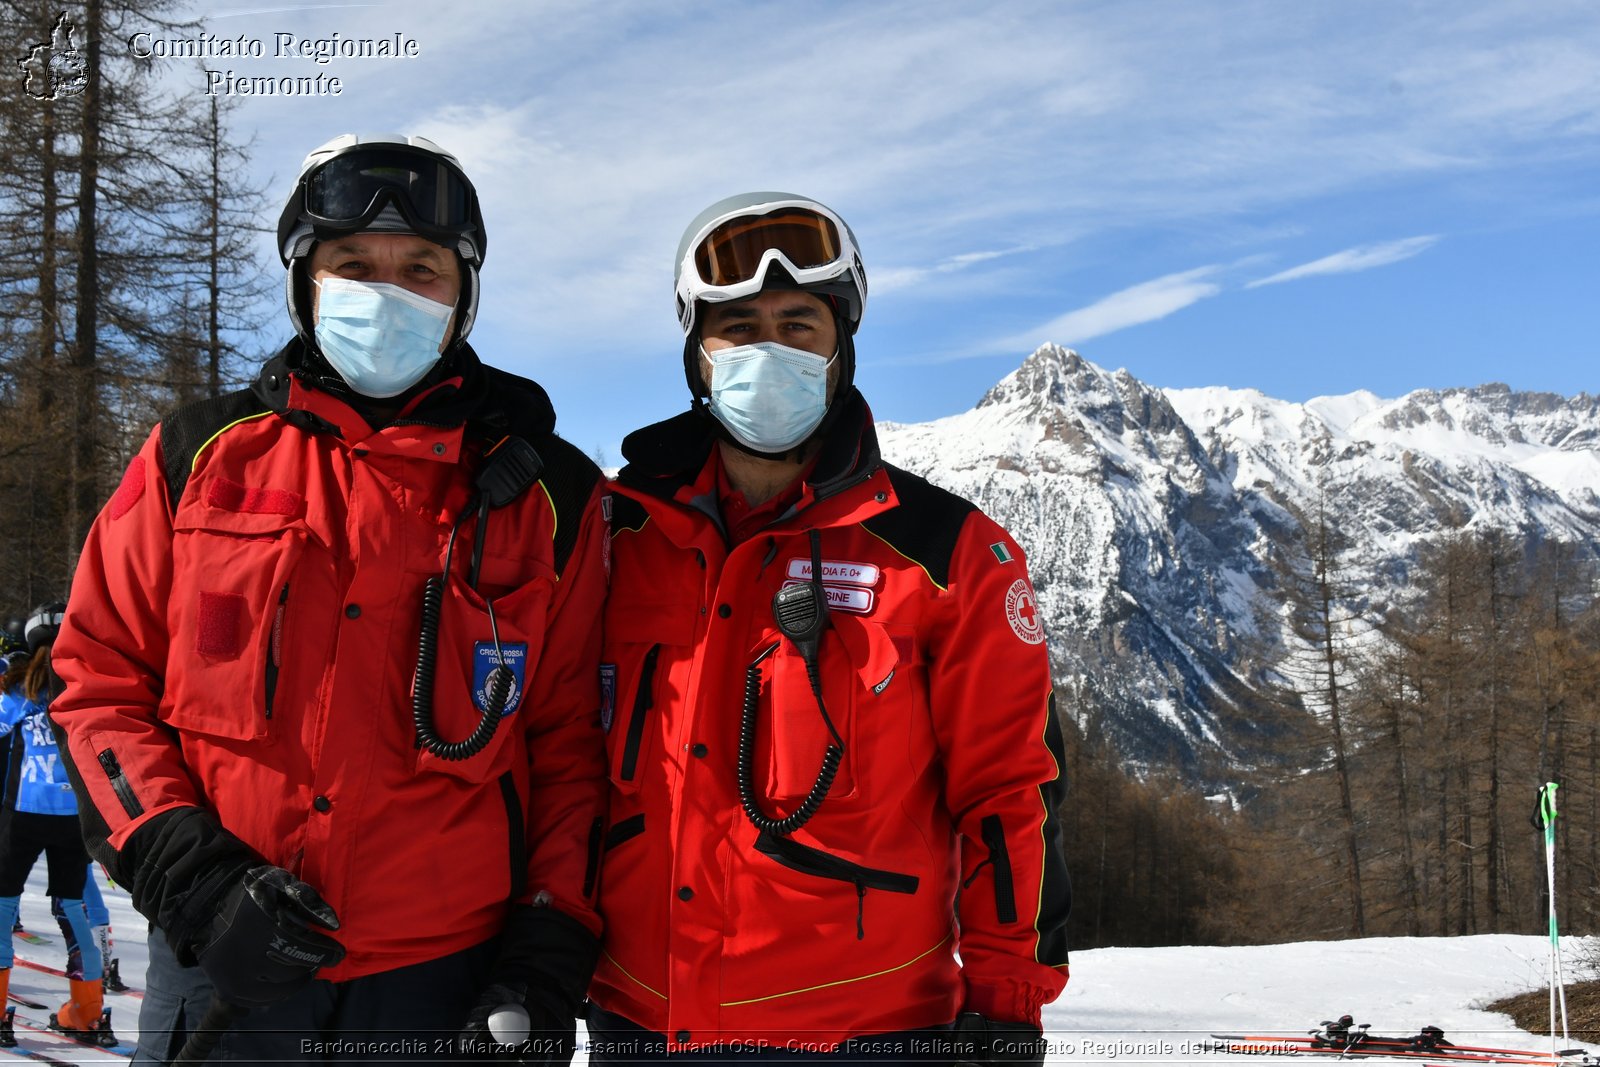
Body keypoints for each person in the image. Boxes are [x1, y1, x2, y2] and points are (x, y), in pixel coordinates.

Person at [49, 134, 609, 1064]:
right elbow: (97, 683)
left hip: (444, 983)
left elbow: (572, 751)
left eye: (420, 269)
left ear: (463, 294)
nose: (387, 292)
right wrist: (192, 877)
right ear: (305, 279)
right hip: (223, 963)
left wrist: (545, 957)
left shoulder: (550, 495)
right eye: (353, 264)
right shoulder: (196, 454)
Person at [588, 193, 1072, 1063]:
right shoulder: (616, 535)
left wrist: (1006, 1002)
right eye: (737, 326)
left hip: (863, 1028)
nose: (767, 350)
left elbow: (1010, 793)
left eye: (797, 324)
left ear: (840, 347)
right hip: (637, 1017)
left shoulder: (944, 553)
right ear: (698, 352)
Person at [0, 605, 106, 1047]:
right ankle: (86, 1014)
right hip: (73, 818)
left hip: (22, 812)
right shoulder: (87, 687)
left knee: (3, 908)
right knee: (74, 911)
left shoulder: (17, 691)